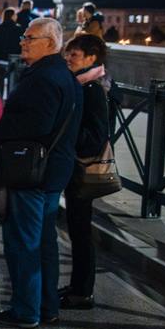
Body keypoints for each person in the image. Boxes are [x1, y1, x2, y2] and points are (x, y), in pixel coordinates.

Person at [0, 17, 81, 329]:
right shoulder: (64, 75)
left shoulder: (41, 78)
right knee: (44, 243)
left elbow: (36, 126)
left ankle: (26, 311)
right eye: (24, 37)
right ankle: (46, 306)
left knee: (23, 242)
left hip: (33, 174)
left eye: (30, 38)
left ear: (51, 44)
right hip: (54, 172)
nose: (22, 42)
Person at [60, 33, 109, 310]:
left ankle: (83, 291)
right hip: (77, 167)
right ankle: (78, 286)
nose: (68, 58)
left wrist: (69, 136)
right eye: (68, 53)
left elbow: (96, 135)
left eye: (75, 55)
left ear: (91, 58)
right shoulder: (82, 84)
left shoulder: (92, 89)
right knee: (76, 230)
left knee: (81, 231)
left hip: (84, 169)